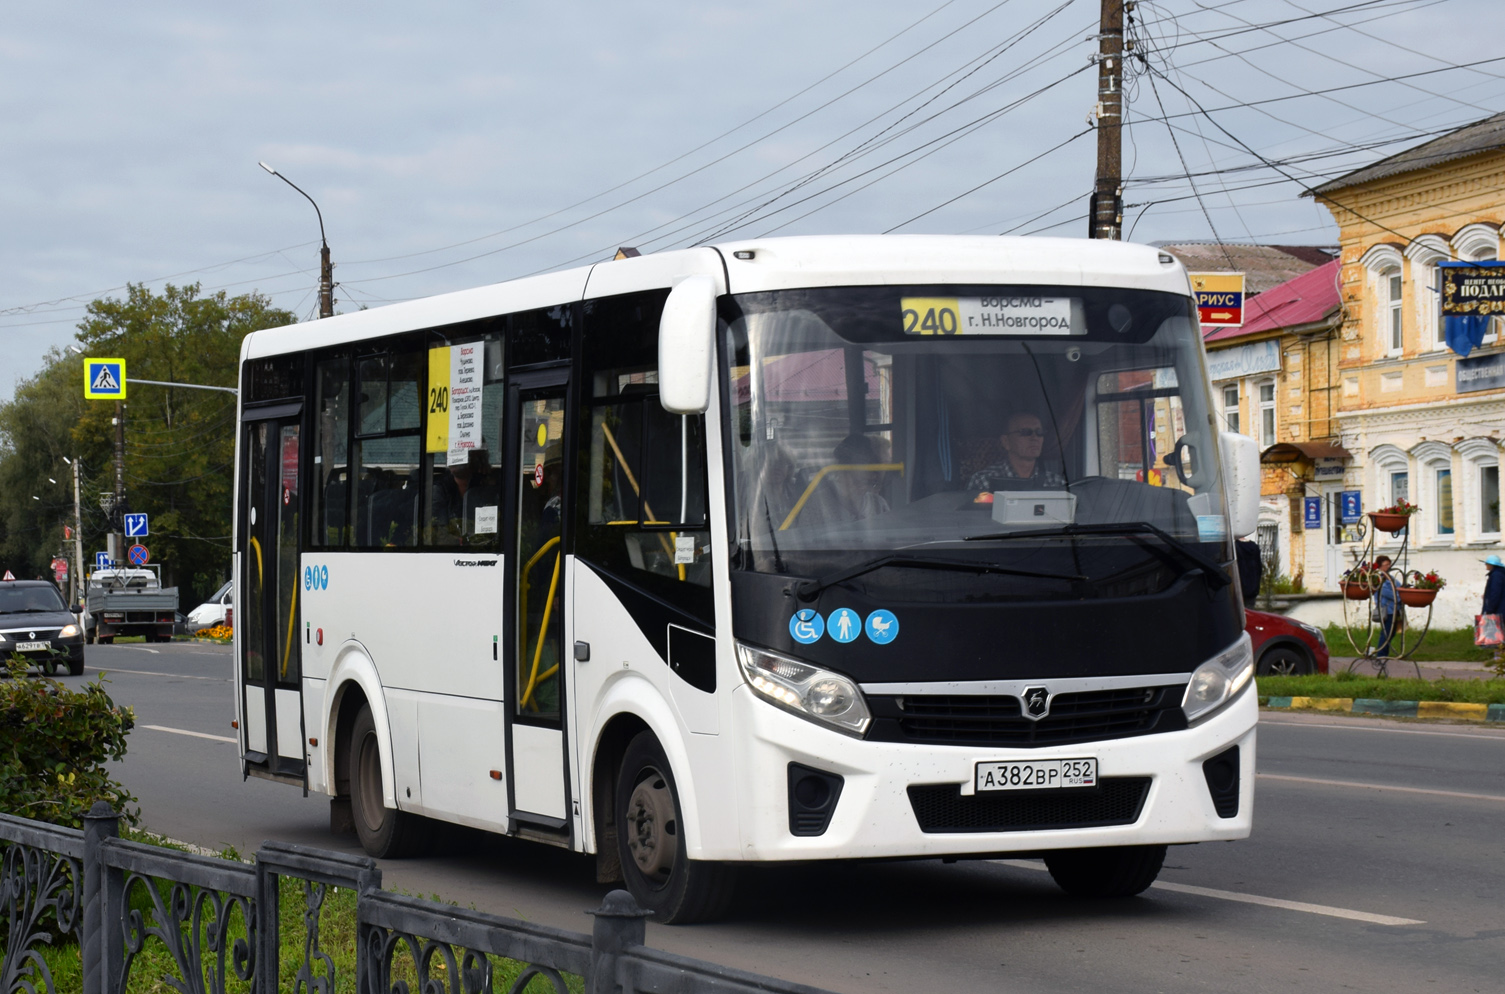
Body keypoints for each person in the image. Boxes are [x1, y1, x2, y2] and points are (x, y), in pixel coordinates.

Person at [967, 411, 1066, 492]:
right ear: (1006, 441)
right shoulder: (984, 481)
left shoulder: (1055, 482)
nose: (1035, 437)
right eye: (1026, 432)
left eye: (1039, 432)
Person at [1373, 555, 1401, 658]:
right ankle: (1381, 653)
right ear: (1380, 566)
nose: (1388, 566)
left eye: (1389, 564)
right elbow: (1385, 592)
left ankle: (1383, 652)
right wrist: (1398, 597)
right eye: (1386, 565)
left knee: (1391, 632)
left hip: (1394, 609)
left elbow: (1399, 586)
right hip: (1386, 609)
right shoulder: (1379, 578)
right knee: (1386, 632)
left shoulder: (1390, 577)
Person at [1482, 554, 1505, 662]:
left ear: (1491, 565)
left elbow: (1495, 593)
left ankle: (1499, 658)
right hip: (1500, 608)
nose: (1485, 565)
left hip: (1499, 610)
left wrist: (1490, 609)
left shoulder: (1496, 575)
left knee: (1498, 634)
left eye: (1487, 563)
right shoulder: (1499, 574)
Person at [1235, 537, 1263, 602]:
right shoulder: (1255, 547)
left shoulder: (1235, 546)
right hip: (1253, 587)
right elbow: (1259, 568)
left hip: (1240, 587)